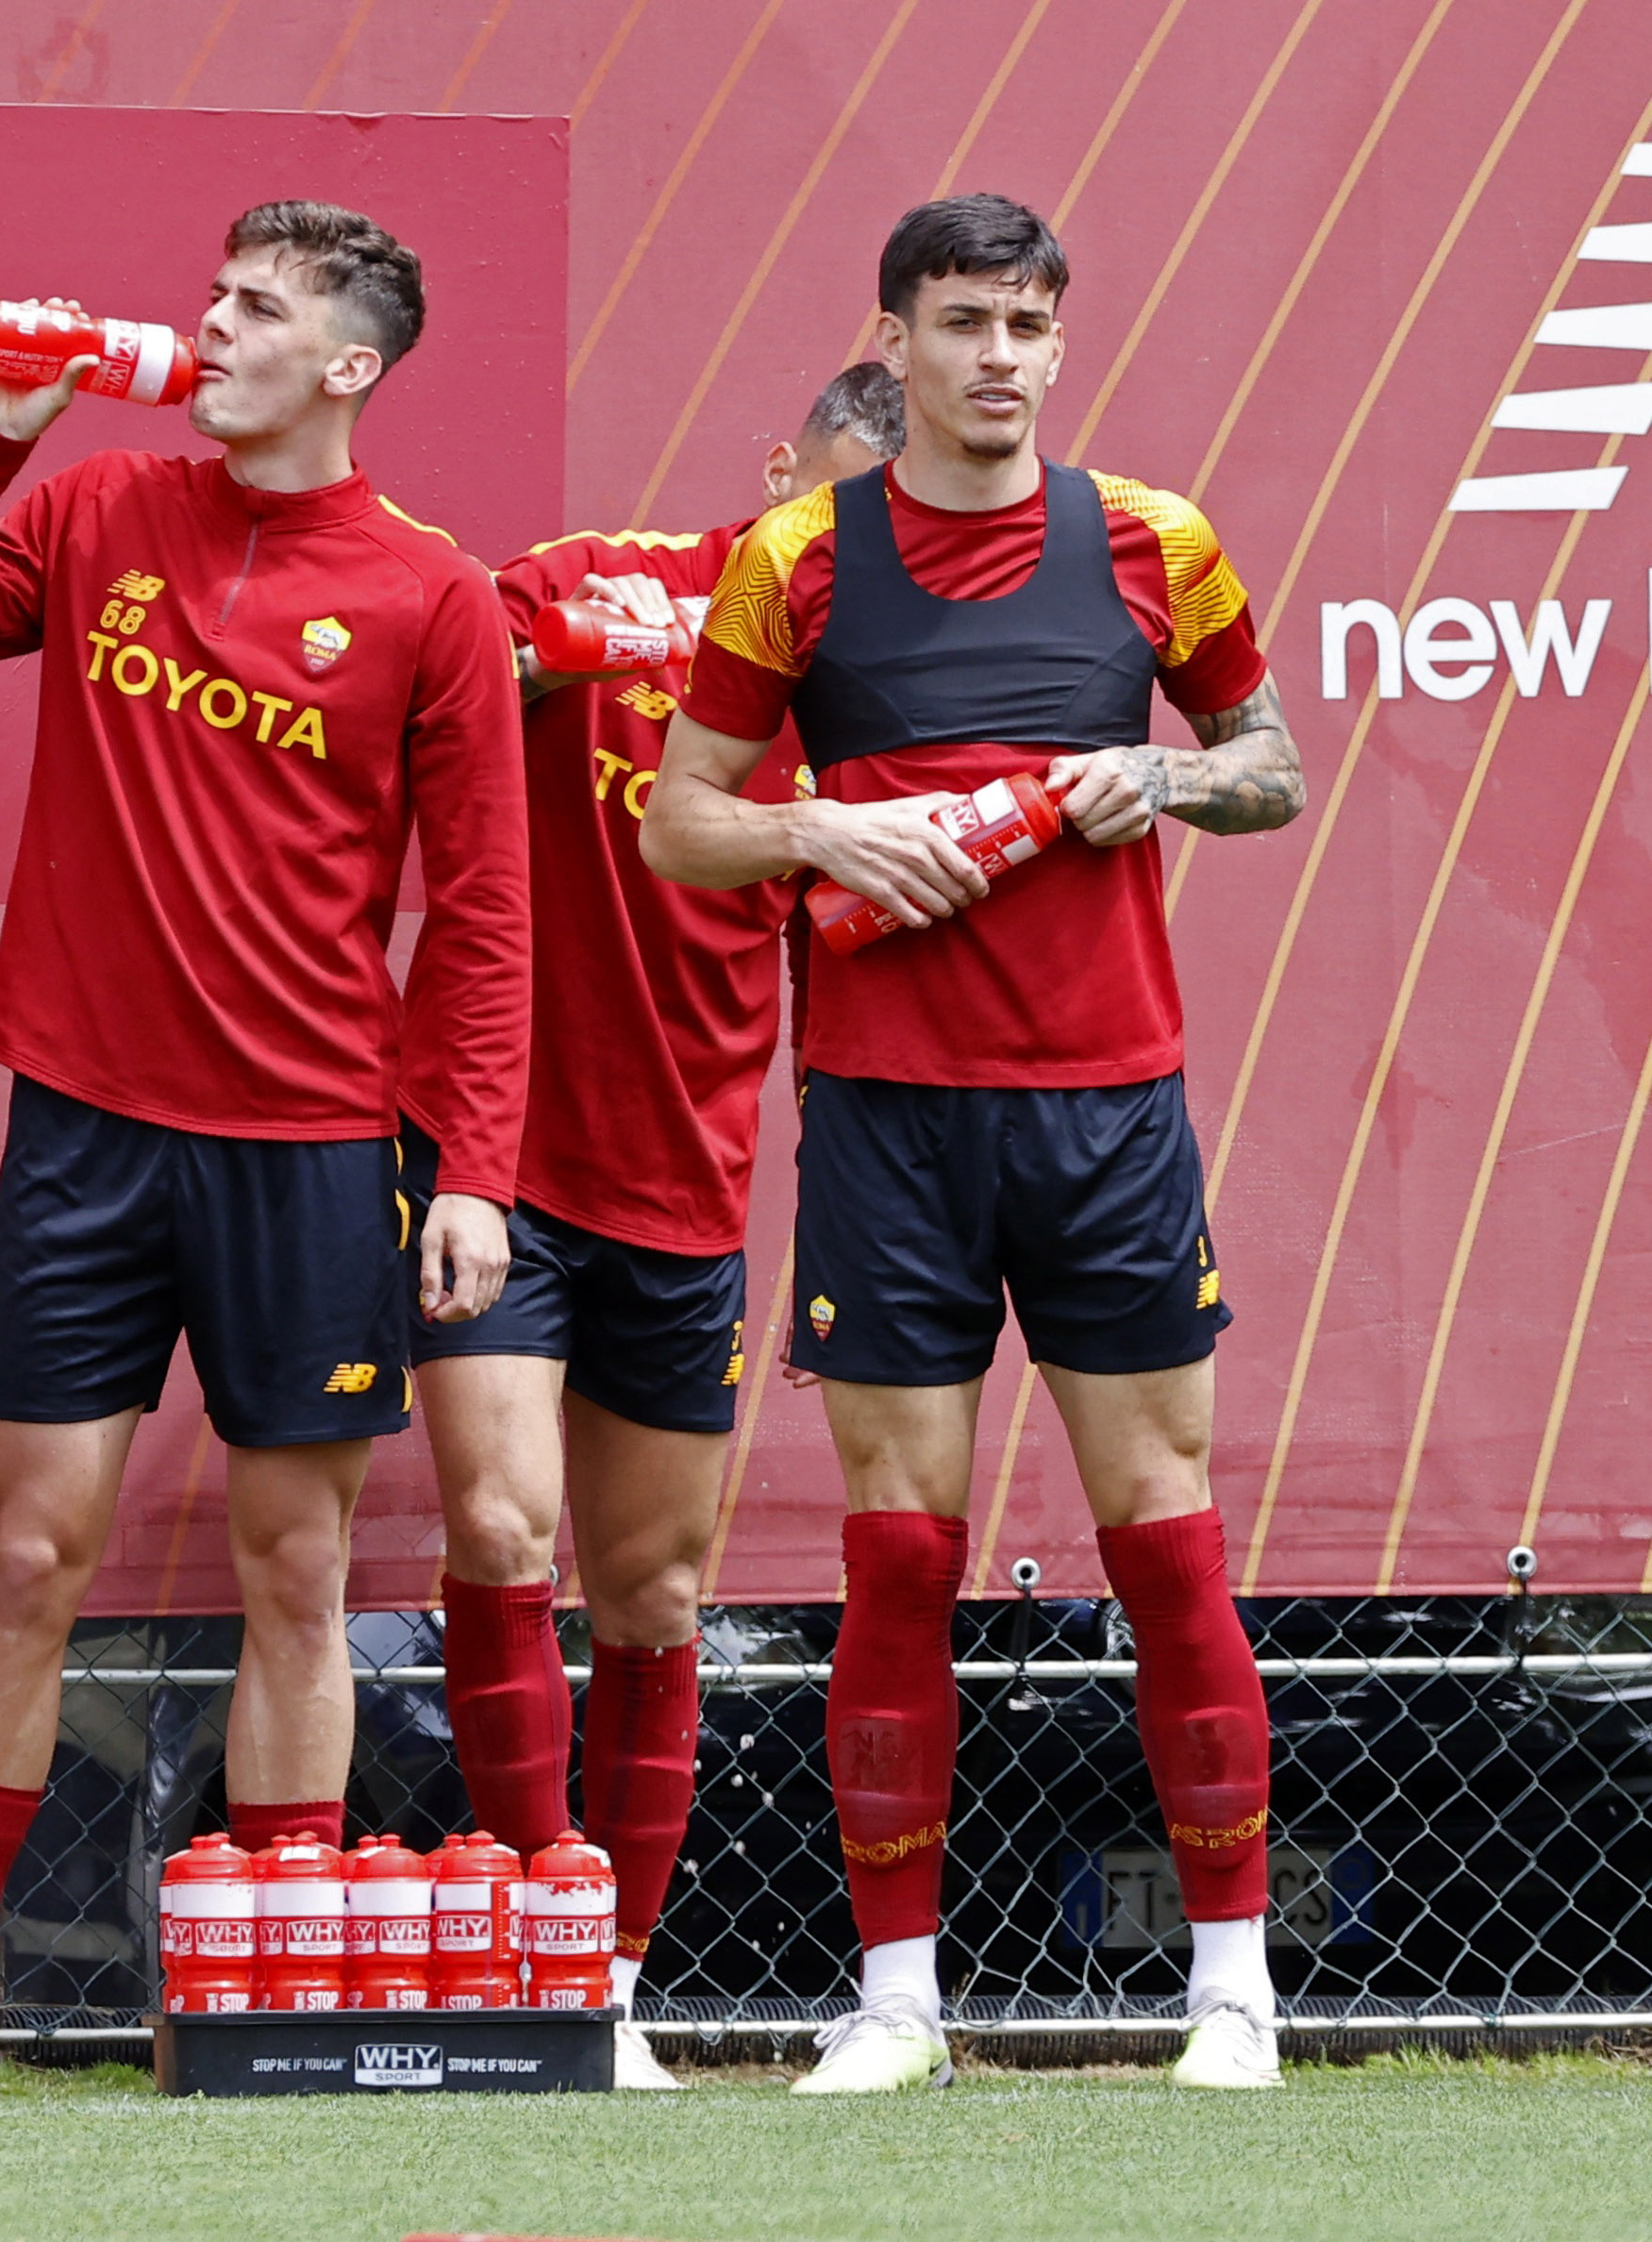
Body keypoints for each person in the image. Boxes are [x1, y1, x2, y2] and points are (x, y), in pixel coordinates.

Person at [0, 201, 533, 2099]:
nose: (205, 329)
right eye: (212, 300)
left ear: (351, 364)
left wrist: (468, 1166)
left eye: (256, 311)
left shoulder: (433, 596)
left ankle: (269, 1999)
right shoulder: (95, 509)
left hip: (308, 1144)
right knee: (34, 1554)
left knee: (296, 1567)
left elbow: (480, 914)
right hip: (84, 1132)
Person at [642, 195, 1306, 2096]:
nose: (1000, 356)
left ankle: (1234, 1993)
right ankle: (901, 2002)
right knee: (899, 1562)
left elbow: (1272, 768)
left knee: (1166, 1547)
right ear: (898, 338)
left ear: (1057, 342)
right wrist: (817, 835)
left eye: (1029, 323)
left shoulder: (1153, 542)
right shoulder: (798, 559)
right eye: (965, 323)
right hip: (887, 1121)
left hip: (1109, 1109)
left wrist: (1162, 776)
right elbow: (683, 822)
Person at [417, 362, 903, 2094]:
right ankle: (534, 1960)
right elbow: (438, 657)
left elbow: (847, 956)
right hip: (494, 1153)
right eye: (835, 502)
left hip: (686, 1187)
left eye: (886, 529)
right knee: (495, 1527)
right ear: (780, 468)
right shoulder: (607, 572)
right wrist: (550, 655)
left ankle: (606, 1986)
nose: (849, 546)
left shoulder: (867, 693)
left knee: (655, 1592)